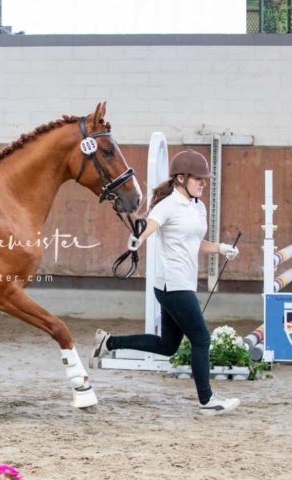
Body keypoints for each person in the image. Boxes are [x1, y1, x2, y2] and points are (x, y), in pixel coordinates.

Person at [89, 149, 241, 416]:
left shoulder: (198, 206)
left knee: (169, 346)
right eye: (198, 179)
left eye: (204, 179)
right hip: (173, 285)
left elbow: (195, 244)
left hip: (182, 283)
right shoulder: (168, 204)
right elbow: (148, 227)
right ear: (181, 178)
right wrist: (137, 239)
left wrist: (221, 248)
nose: (203, 183)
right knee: (201, 339)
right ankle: (207, 401)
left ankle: (109, 343)